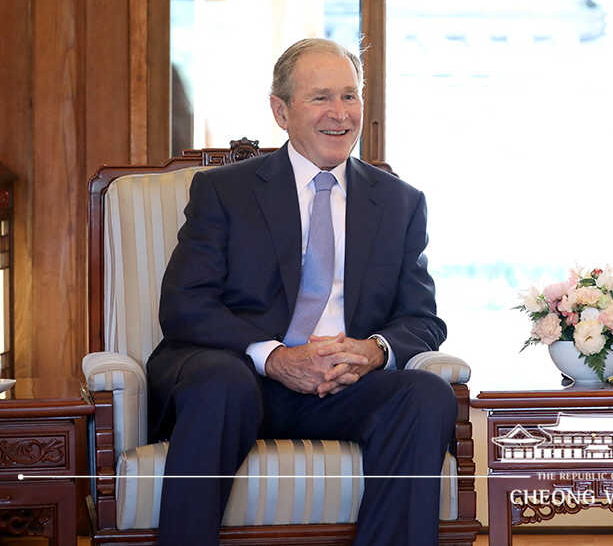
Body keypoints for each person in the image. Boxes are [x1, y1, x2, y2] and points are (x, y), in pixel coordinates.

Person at [147, 38, 456, 546]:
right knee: (221, 381)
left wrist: (373, 352)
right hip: (240, 375)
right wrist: (274, 357)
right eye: (320, 98)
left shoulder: (400, 203)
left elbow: (422, 320)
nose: (340, 114)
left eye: (350, 97)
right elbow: (185, 304)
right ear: (281, 110)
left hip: (340, 385)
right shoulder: (225, 191)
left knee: (426, 394)